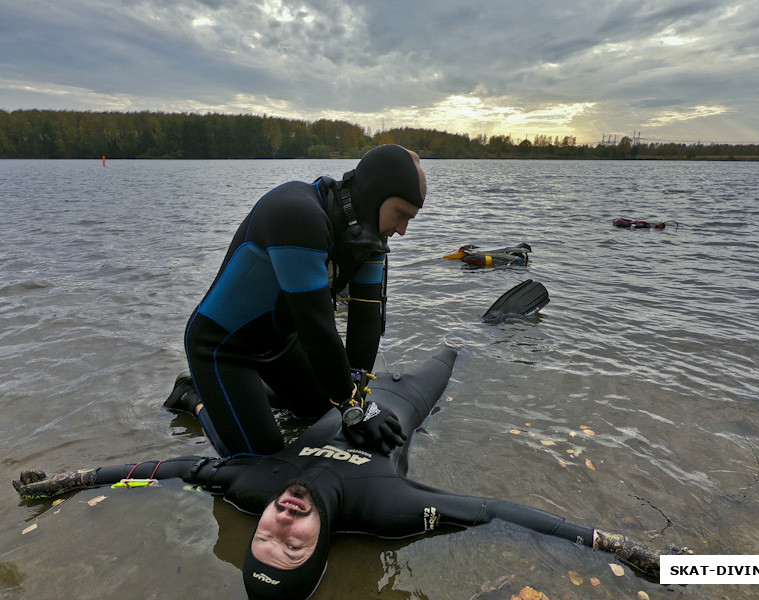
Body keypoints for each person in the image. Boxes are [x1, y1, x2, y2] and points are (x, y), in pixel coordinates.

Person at [14, 349, 686, 600]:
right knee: (453, 352)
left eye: (266, 536)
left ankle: (191, 394)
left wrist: (70, 481)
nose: (280, 520)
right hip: (399, 398)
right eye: (295, 545)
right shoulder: (385, 511)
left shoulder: (254, 489)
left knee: (232, 415)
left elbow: (163, 468)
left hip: (336, 386)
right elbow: (498, 513)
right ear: (321, 548)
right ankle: (746, 571)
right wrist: (618, 548)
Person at [180, 144, 426, 459]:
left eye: (411, 218)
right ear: (376, 196)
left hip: (281, 344)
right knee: (265, 461)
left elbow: (365, 323)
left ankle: (247, 395)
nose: (403, 230)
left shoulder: (368, 236)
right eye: (401, 214)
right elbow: (317, 330)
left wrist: (357, 400)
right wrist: (354, 409)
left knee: (319, 410)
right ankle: (194, 396)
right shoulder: (299, 216)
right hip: (223, 348)